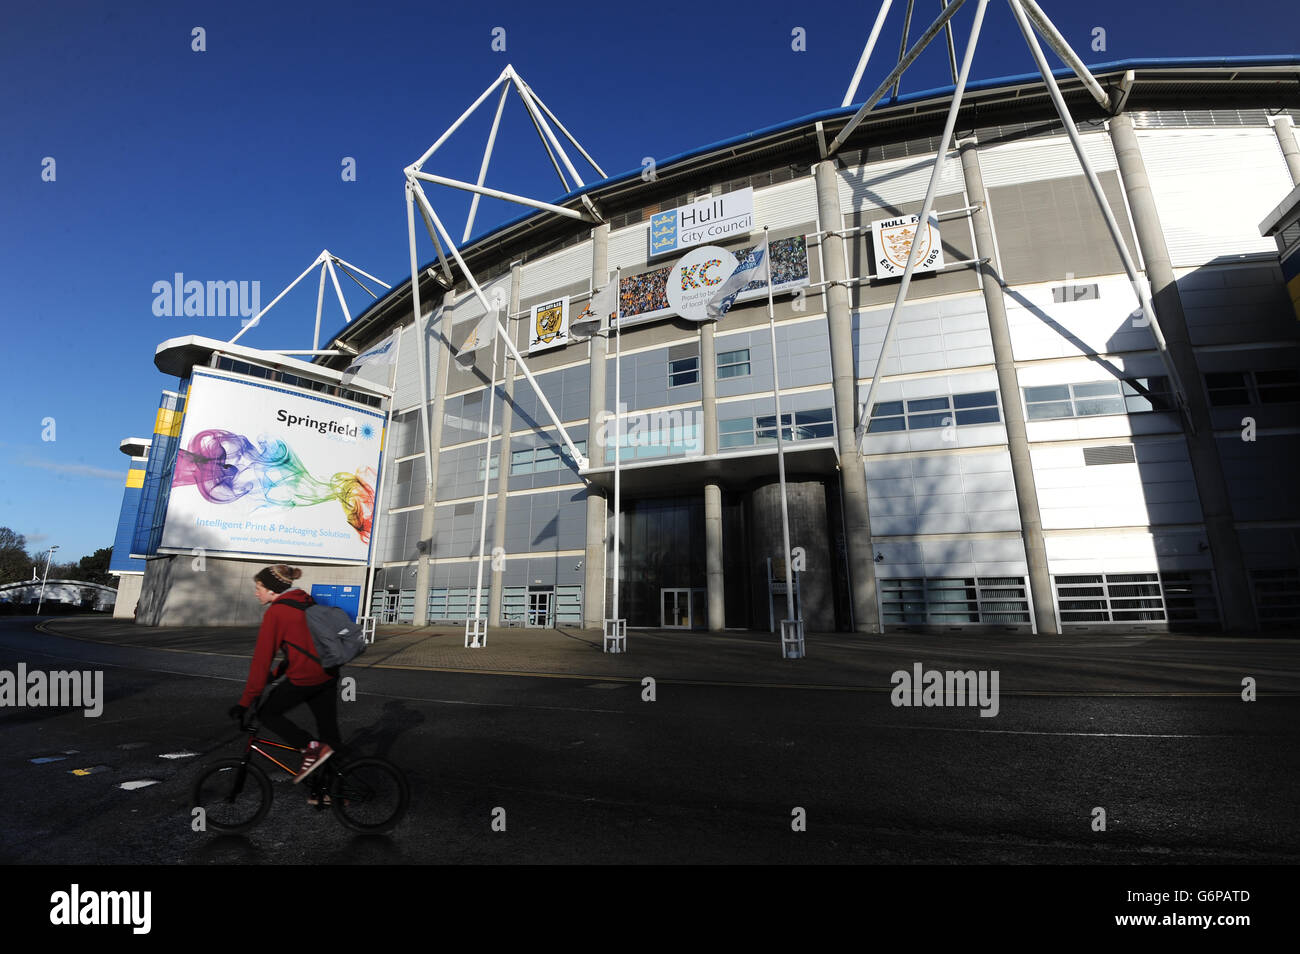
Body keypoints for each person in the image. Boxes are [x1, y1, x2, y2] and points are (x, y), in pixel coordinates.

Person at [228, 565, 341, 788]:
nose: (256, 593)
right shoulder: (307, 602)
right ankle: (335, 791)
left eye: (259, 588)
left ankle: (310, 748)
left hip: (305, 678)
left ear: (272, 590)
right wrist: (275, 676)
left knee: (267, 713)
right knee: (329, 734)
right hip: (329, 673)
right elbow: (301, 649)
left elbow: (261, 661)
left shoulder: (276, 613)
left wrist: (245, 702)